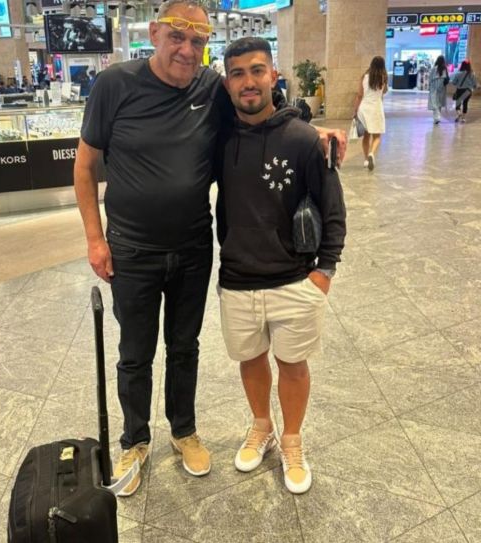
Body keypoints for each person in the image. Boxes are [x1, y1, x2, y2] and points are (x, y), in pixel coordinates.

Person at [74, 0, 347, 497]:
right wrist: (95, 238)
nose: (186, 49)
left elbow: (258, 105)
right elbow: (86, 165)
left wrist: (313, 132)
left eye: (198, 41)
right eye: (177, 36)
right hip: (132, 249)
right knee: (135, 352)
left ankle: (183, 431)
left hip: (193, 247)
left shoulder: (209, 87)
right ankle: (135, 440)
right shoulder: (114, 84)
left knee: (185, 347)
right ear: (154, 33)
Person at [215, 37, 346, 494]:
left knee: (293, 365)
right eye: (237, 73)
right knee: (250, 360)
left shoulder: (304, 139)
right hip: (237, 278)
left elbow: (333, 210)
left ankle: (291, 438)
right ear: (227, 83)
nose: (248, 82)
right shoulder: (219, 138)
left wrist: (323, 273)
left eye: (257, 70)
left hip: (294, 279)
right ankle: (262, 426)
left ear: (274, 75)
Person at [354, 56, 388, 171]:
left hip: (364, 108)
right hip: (376, 108)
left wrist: (355, 110)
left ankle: (365, 159)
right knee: (377, 136)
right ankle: (372, 153)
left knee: (366, 136)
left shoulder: (364, 77)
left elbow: (359, 95)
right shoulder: (383, 77)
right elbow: (384, 92)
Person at [428, 55, 448, 125]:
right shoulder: (445, 69)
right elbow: (447, 78)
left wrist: (429, 86)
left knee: (434, 102)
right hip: (442, 88)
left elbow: (430, 78)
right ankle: (436, 118)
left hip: (434, 87)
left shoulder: (434, 68)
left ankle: (437, 117)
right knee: (439, 102)